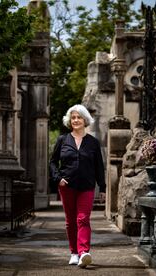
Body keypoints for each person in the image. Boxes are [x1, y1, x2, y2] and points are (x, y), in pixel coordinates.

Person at [49, 104, 106, 268]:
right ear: (69, 120)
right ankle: (73, 252)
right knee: (70, 221)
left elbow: (99, 167)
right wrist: (57, 177)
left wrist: (102, 187)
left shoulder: (93, 143)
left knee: (83, 219)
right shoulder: (62, 140)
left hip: (87, 186)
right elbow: (52, 162)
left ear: (85, 120)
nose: (75, 120)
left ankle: (83, 253)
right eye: (73, 117)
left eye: (79, 117)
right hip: (66, 186)